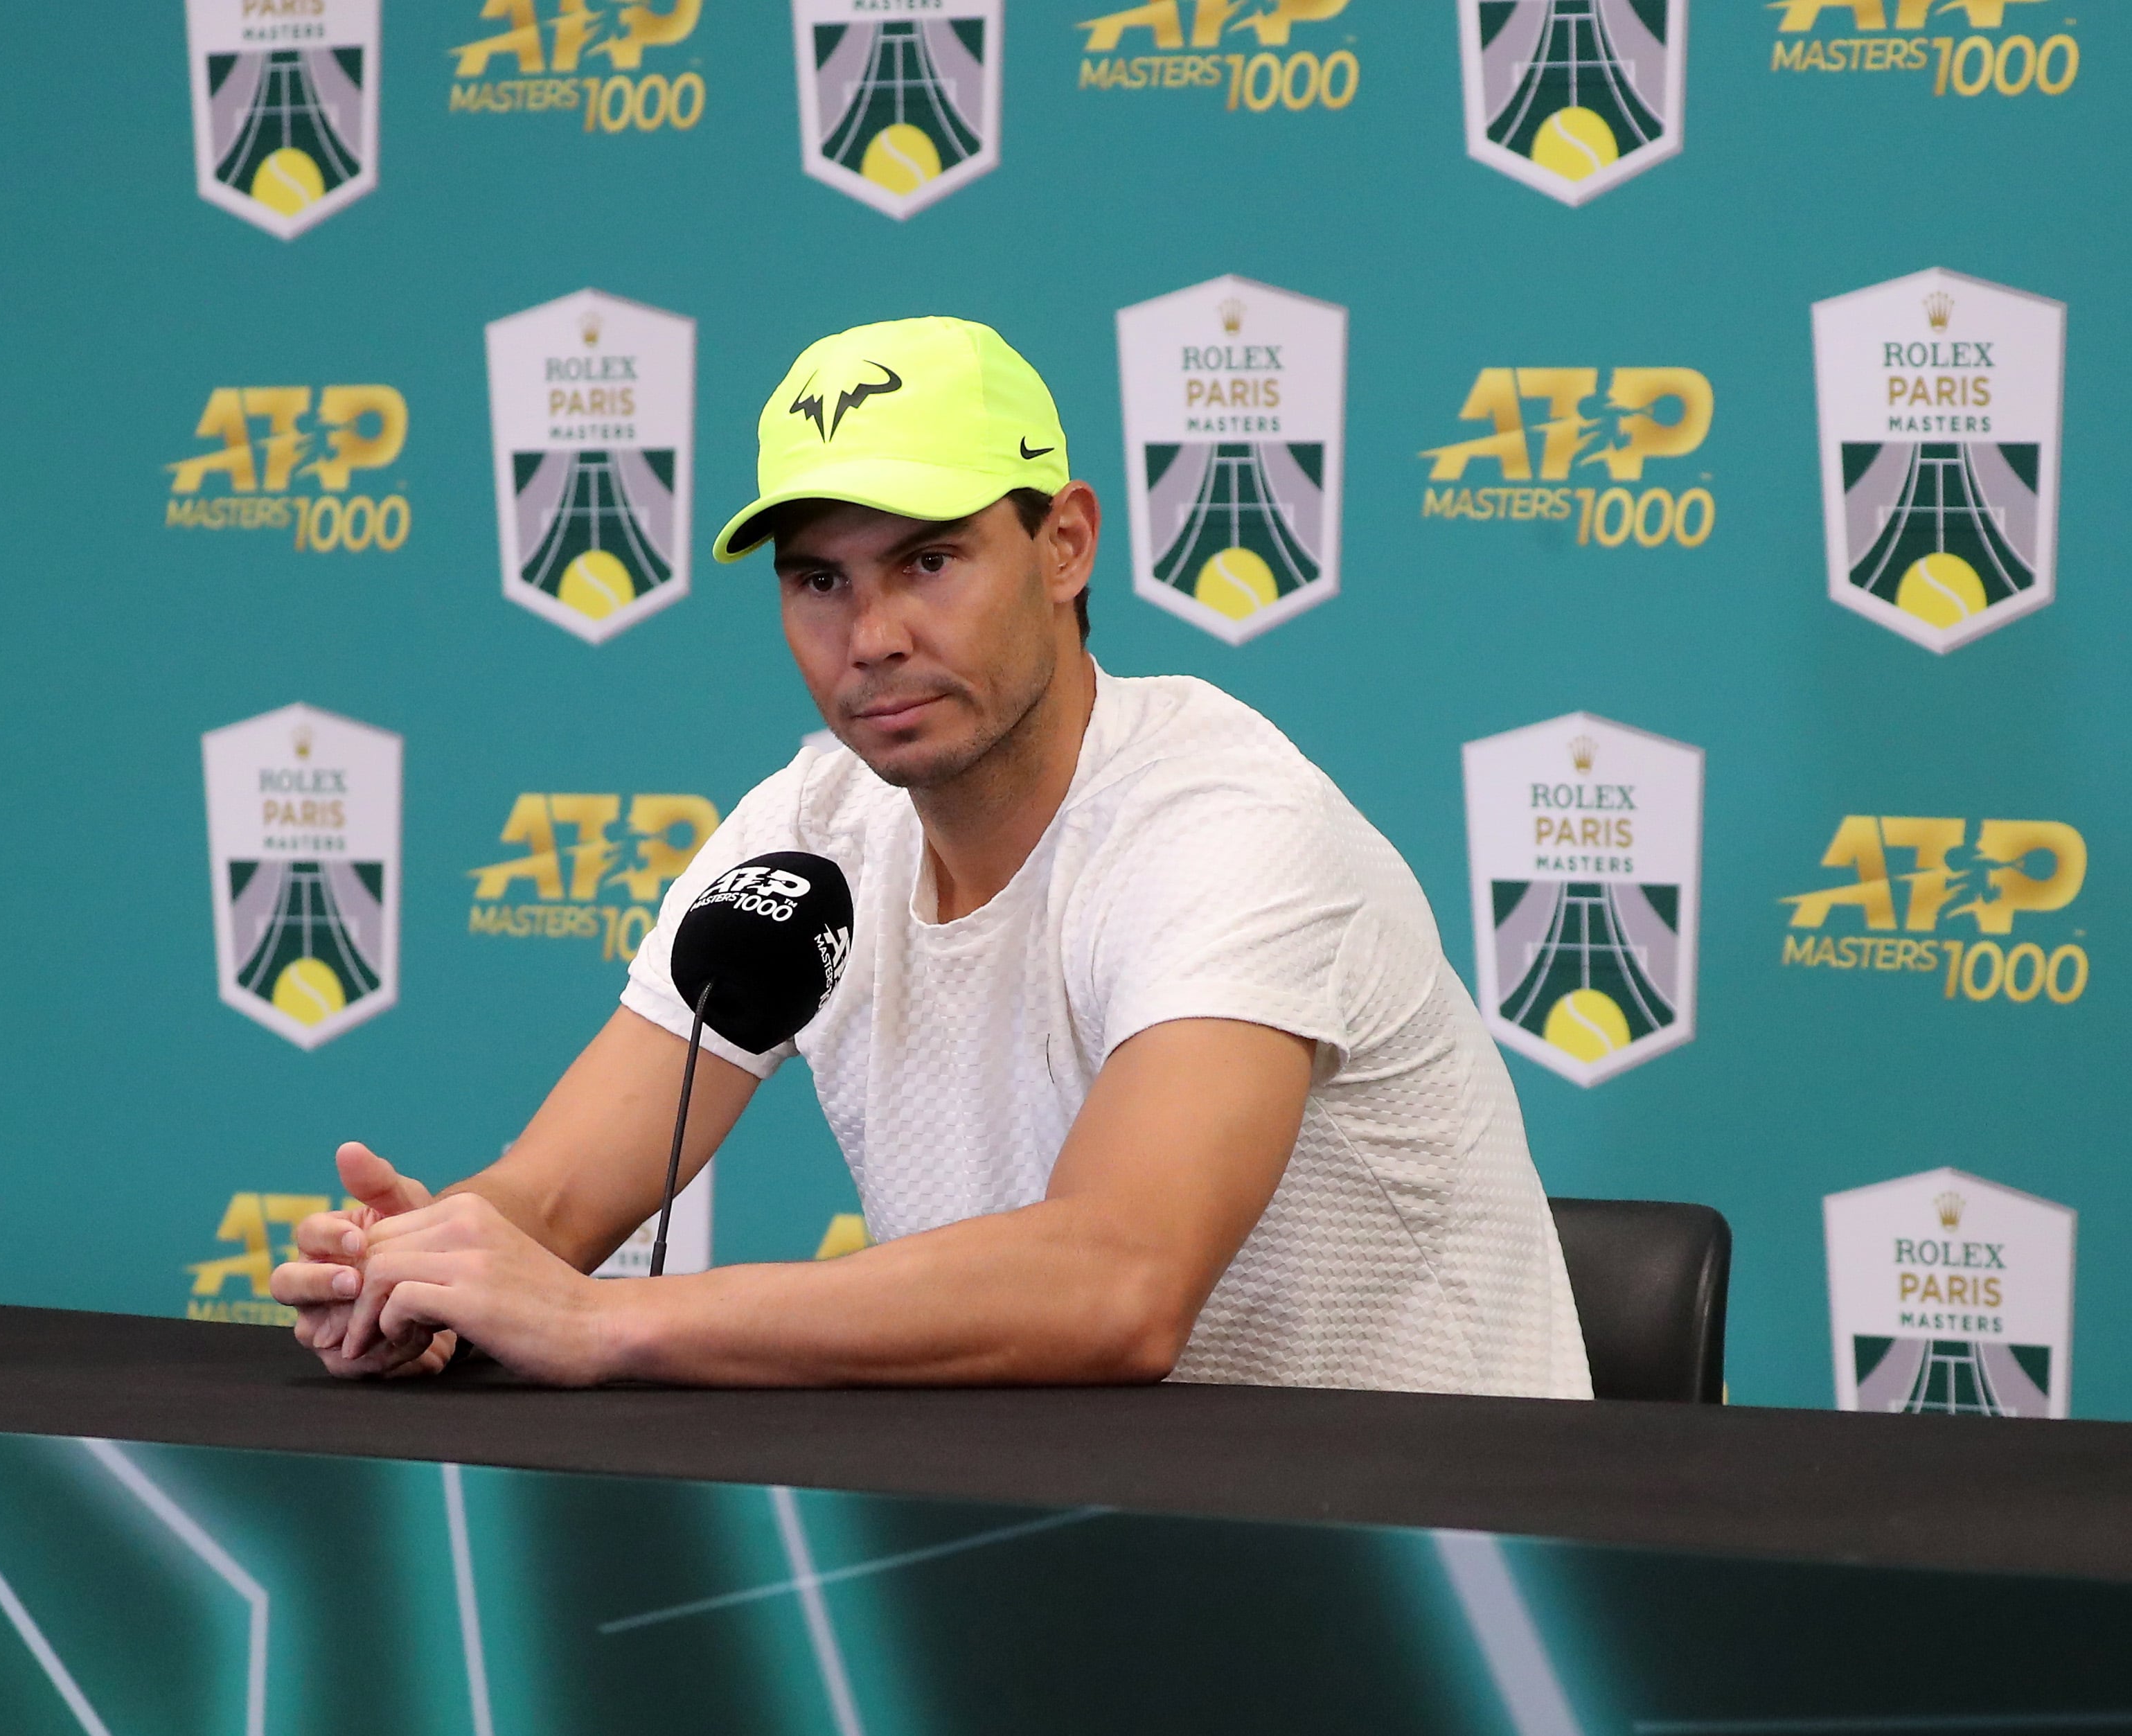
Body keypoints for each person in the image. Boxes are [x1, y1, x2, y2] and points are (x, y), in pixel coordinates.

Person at [272, 317, 1593, 1397]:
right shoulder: (806, 831)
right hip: (1086, 1542)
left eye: (929, 560)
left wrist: (609, 1325)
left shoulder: (1229, 822)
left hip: (1455, 1561)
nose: (873, 634)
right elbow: (555, 1193)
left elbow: (1119, 1285)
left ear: (1065, 544)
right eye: (820, 581)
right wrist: (435, 1269)